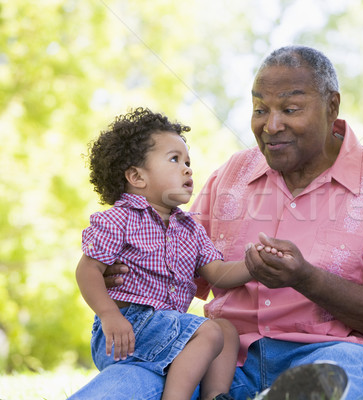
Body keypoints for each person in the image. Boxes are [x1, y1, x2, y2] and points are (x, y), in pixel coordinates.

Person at [98, 45, 363, 399]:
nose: (271, 125)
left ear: (332, 106)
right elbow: (181, 265)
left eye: (290, 109)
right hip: (225, 365)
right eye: (259, 109)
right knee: (127, 386)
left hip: (333, 353)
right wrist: (126, 268)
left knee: (341, 374)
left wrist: (306, 278)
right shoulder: (231, 175)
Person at [71, 108, 259, 400]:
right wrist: (109, 315)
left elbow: (217, 274)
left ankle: (216, 396)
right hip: (127, 328)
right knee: (209, 331)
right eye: (175, 160)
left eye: (187, 162)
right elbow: (88, 270)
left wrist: (255, 264)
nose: (187, 169)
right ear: (136, 176)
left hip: (167, 329)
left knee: (225, 329)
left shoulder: (191, 229)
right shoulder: (119, 219)